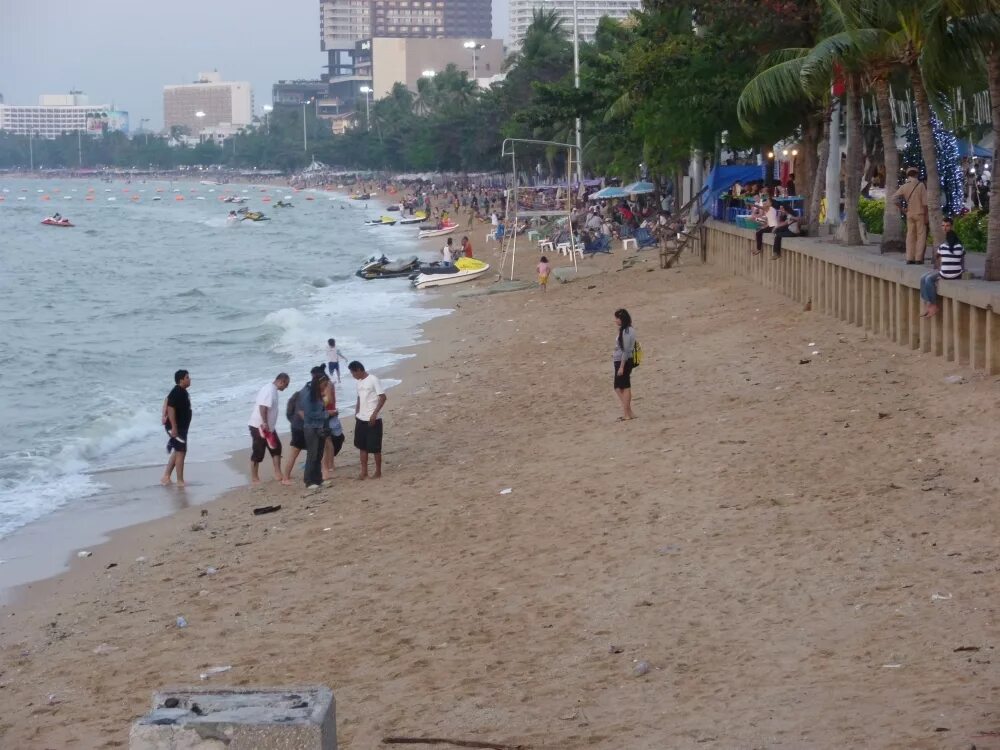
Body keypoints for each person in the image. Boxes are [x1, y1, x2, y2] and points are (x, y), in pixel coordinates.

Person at [248, 373, 290, 485]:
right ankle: (254, 477)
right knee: (258, 451)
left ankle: (278, 473)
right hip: (259, 426)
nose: (286, 387)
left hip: (269, 427)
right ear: (281, 381)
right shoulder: (269, 390)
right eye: (286, 384)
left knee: (276, 447)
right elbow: (263, 407)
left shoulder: (273, 390)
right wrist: (265, 423)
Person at [920, 217, 965, 318]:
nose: (945, 228)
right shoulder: (960, 245)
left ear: (952, 227)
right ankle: (929, 304)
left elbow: (938, 257)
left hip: (946, 273)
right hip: (957, 272)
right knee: (923, 277)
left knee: (927, 279)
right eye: (943, 226)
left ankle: (932, 305)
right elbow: (962, 257)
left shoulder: (943, 246)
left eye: (947, 226)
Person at [349, 361, 386, 480]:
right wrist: (357, 410)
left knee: (375, 448)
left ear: (359, 370)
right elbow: (359, 397)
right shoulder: (359, 383)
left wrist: (375, 414)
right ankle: (364, 471)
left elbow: (383, 397)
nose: (353, 375)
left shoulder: (373, 379)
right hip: (361, 418)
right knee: (362, 446)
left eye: (353, 373)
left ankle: (378, 471)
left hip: (373, 418)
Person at [296, 366, 329, 489]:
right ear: (319, 382)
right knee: (312, 454)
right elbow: (308, 412)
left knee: (319, 454)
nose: (325, 388)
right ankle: (309, 481)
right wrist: (325, 414)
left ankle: (318, 479)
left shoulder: (316, 392)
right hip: (311, 427)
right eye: (324, 385)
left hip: (319, 426)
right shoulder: (308, 393)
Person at [160, 369, 192, 486]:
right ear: (181, 380)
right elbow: (170, 407)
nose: (189, 379)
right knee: (181, 452)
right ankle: (180, 481)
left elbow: (167, 399)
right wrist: (173, 426)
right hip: (176, 428)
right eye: (187, 377)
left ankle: (166, 476)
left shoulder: (181, 391)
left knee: (178, 451)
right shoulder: (177, 391)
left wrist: (164, 415)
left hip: (181, 427)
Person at [893, 167, 929, 264]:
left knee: (910, 236)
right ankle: (918, 258)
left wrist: (902, 209)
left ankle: (909, 257)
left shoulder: (904, 186)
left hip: (909, 214)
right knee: (921, 236)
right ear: (916, 174)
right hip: (920, 213)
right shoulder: (920, 185)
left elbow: (894, 199)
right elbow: (925, 203)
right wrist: (926, 215)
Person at [613, 309, 636, 421]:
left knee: (620, 387)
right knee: (624, 386)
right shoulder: (629, 329)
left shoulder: (626, 331)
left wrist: (621, 366)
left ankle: (627, 412)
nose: (616, 320)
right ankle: (629, 412)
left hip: (623, 361)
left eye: (617, 318)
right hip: (624, 360)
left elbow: (626, 350)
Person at [282, 386, 305, 482]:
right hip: (301, 428)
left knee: (294, 453)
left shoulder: (296, 396)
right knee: (295, 452)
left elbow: (288, 413)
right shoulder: (304, 398)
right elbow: (302, 413)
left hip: (296, 427)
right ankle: (285, 477)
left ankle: (286, 476)